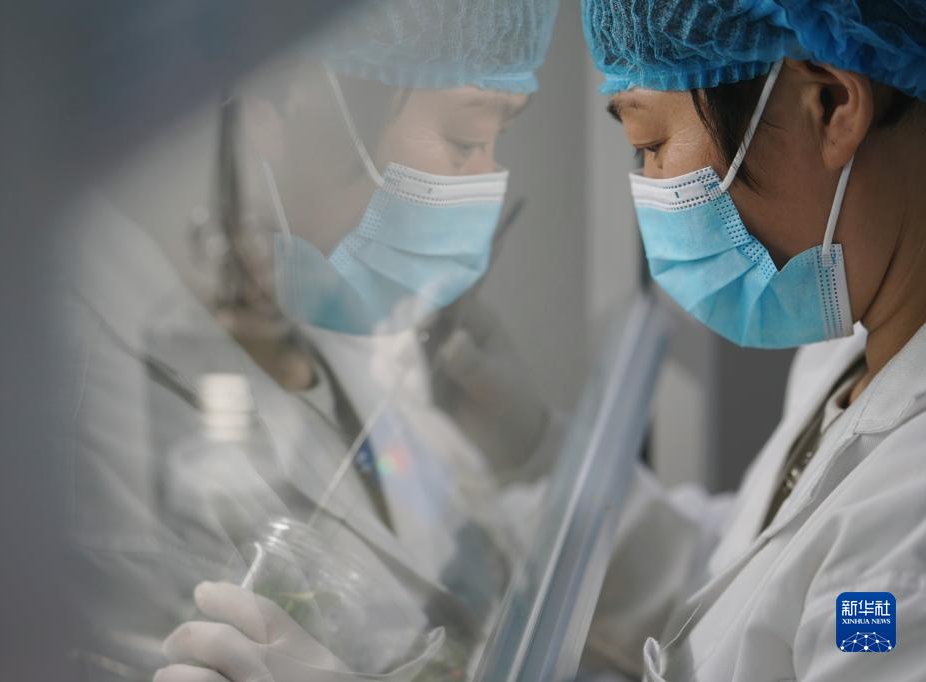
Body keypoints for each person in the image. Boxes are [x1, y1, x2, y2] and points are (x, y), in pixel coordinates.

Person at [66, 1, 560, 680]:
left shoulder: (330, 295)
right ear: (285, 94)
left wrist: (527, 453)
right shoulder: (83, 374)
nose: (486, 186)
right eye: (464, 138)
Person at [578, 1, 926, 680]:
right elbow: (753, 574)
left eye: (652, 144)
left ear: (830, 105)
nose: (649, 187)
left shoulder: (906, 529)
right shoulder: (846, 355)